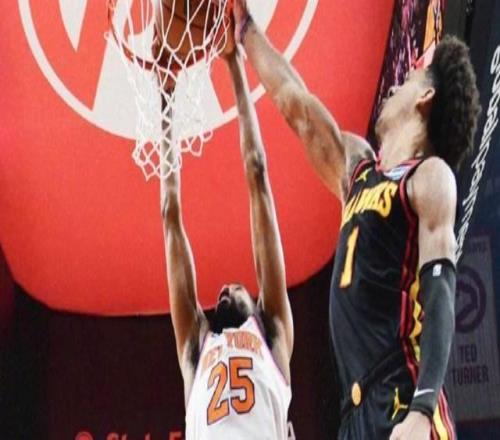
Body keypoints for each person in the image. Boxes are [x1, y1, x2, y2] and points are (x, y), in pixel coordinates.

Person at [232, 1, 481, 439]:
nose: (395, 86)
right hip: (355, 413)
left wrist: (423, 407)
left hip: (403, 393)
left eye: (408, 81)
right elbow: (298, 107)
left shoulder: (429, 177)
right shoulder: (358, 172)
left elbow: (441, 290)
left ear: (425, 98)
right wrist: (246, 30)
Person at [160, 49, 293, 439]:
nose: (223, 290)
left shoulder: (273, 333)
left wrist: (235, 65)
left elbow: (257, 171)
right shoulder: (195, 348)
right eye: (233, 288)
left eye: (231, 289)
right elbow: (169, 213)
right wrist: (165, 97)